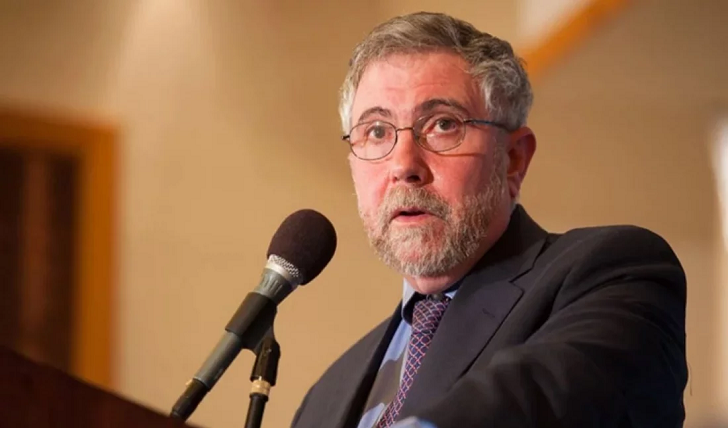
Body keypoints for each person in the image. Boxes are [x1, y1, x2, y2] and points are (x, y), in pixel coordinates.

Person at [291, 11, 688, 428]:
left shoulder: (611, 273)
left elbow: (550, 394)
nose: (404, 165)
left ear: (513, 158)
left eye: (443, 125)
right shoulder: (324, 398)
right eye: (376, 131)